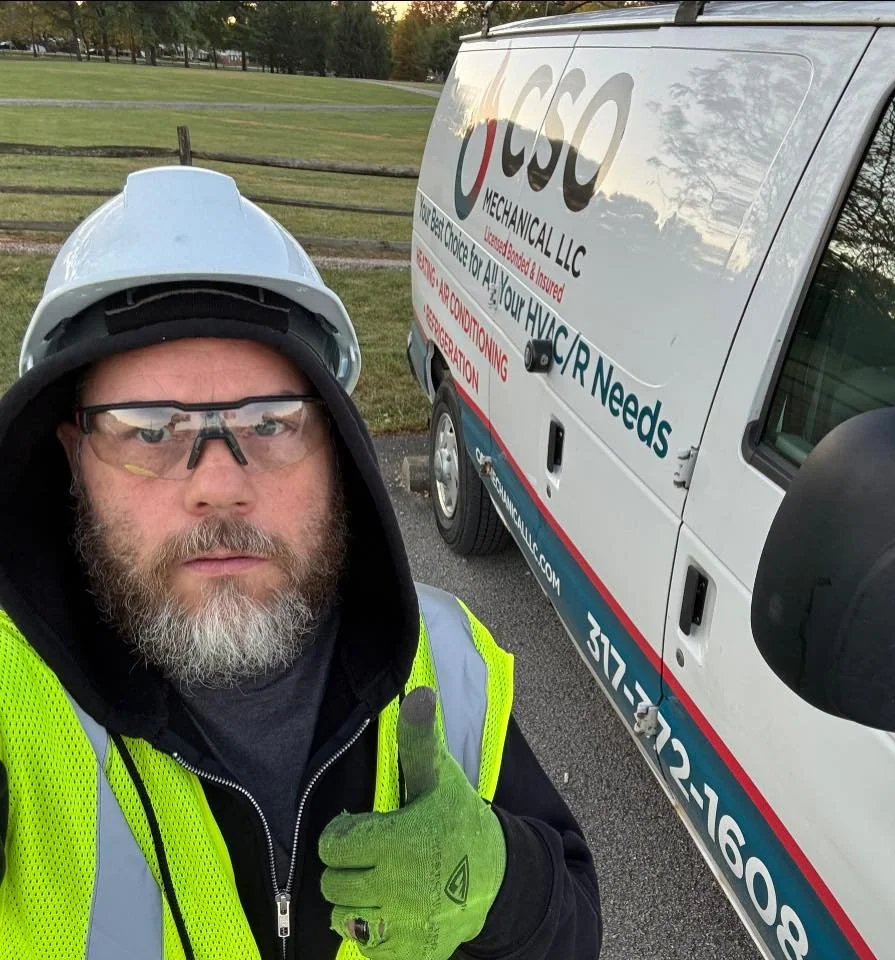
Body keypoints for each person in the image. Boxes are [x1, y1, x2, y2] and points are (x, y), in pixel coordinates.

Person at [0, 166, 601, 960]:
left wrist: (502, 893)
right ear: (75, 460)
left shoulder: (450, 662)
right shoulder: (14, 695)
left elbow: (572, 929)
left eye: (273, 423)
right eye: (147, 430)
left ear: (338, 453)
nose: (218, 485)